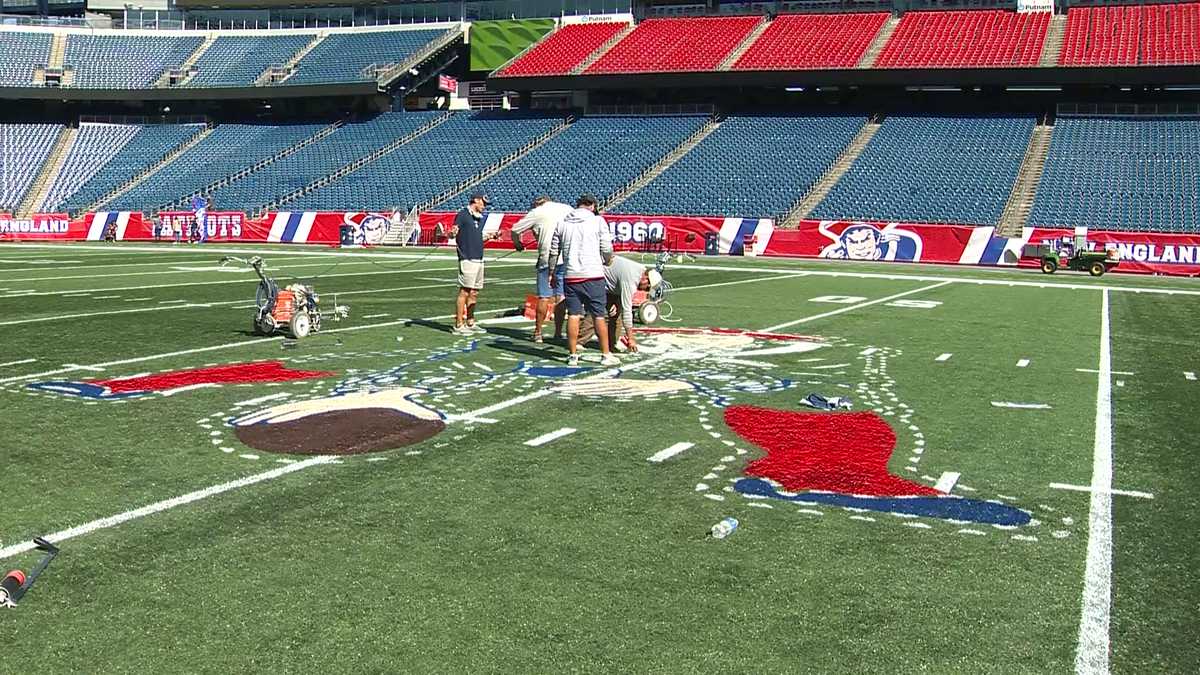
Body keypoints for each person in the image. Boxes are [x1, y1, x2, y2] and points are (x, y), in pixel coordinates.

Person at [547, 194, 618, 367]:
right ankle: (605, 354)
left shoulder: (562, 223)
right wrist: (608, 260)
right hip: (593, 274)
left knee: (573, 315)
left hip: (571, 275)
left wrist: (552, 272)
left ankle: (572, 355)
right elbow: (607, 247)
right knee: (599, 315)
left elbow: (554, 251)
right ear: (592, 205)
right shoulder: (598, 221)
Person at [510, 195, 572, 343]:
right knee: (561, 296)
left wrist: (518, 244)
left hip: (547, 257)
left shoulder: (537, 212)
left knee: (544, 296)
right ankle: (558, 332)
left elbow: (515, 230)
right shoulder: (567, 208)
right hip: (566, 257)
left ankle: (538, 332)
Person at [450, 193, 497, 336]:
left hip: (479, 258)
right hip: (467, 257)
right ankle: (458, 324)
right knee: (465, 290)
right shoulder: (463, 214)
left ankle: (470, 321)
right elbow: (454, 231)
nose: (484, 206)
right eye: (483, 203)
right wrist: (452, 233)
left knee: (475, 292)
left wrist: (490, 236)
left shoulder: (478, 218)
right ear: (475, 201)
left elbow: (475, 236)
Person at [603, 255, 662, 354]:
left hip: (613, 287)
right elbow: (627, 310)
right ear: (645, 279)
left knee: (615, 315)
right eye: (647, 287)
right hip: (598, 280)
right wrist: (631, 339)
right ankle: (580, 341)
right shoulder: (631, 278)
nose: (645, 290)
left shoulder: (640, 271)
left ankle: (611, 344)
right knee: (597, 314)